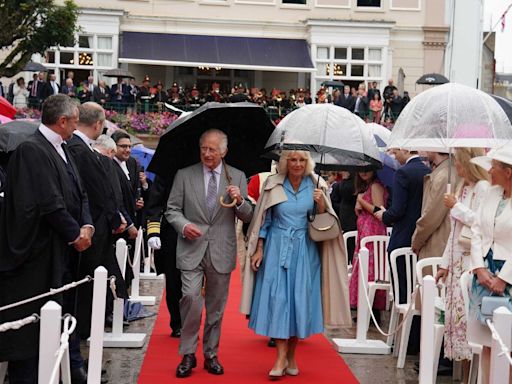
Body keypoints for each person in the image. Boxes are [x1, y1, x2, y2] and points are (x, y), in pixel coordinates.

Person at [0, 94, 93, 383]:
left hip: (58, 255)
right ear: (62, 121)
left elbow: (79, 192)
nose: (76, 128)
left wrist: (87, 224)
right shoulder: (32, 149)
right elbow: (48, 201)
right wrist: (74, 233)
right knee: (30, 336)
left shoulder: (62, 149)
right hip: (35, 258)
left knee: (51, 329)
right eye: (75, 122)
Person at [242, 150, 351, 378]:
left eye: (302, 160)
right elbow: (264, 219)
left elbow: (323, 222)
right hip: (276, 248)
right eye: (293, 159)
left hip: (306, 250)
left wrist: (321, 205)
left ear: (308, 163)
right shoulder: (273, 183)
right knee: (279, 300)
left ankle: (290, 355)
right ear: (285, 162)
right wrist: (258, 249)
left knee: (298, 302)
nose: (298, 164)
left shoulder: (316, 184)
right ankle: (280, 357)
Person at [165, 129, 253, 378]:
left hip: (221, 250)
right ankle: (188, 353)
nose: (207, 153)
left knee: (216, 308)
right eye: (203, 148)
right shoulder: (184, 175)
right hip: (191, 248)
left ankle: (211, 354)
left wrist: (240, 201)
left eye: (212, 149)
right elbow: (171, 210)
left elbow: (247, 216)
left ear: (223, 151)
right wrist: (184, 225)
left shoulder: (236, 176)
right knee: (191, 299)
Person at [67, 102, 129, 338]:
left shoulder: (81, 148)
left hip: (93, 230)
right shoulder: (79, 149)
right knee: (85, 292)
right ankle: (80, 341)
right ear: (98, 124)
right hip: (88, 234)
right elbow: (95, 193)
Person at [434, 148, 490, 381]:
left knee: (468, 322)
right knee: (457, 322)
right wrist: (445, 263)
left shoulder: (483, 188)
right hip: (456, 261)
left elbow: (481, 223)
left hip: (470, 261)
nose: (455, 165)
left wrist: (456, 206)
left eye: (458, 161)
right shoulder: (463, 187)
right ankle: (464, 374)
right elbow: (454, 231)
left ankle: (472, 376)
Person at [466, 147, 512, 381]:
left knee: (508, 344)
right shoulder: (492, 193)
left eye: (494, 166)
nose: (489, 170)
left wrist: (504, 278)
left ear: (508, 172)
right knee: (487, 342)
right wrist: (479, 267)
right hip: (483, 274)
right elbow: (476, 229)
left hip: (508, 275)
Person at [374, 149, 431, 304]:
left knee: (402, 290)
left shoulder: (403, 173)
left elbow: (398, 210)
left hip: (403, 237)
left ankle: (402, 324)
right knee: (417, 288)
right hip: (423, 238)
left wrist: (384, 215)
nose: (394, 155)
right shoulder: (428, 171)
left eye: (395, 151)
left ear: (405, 149)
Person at [146, 174, 183, 338]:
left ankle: (191, 321)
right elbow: (154, 205)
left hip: (199, 233)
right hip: (172, 233)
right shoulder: (166, 173)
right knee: (174, 281)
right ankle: (177, 323)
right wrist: (153, 231)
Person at [349, 170, 388, 320]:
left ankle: (371, 309)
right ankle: (363, 307)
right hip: (365, 231)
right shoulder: (366, 186)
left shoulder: (376, 186)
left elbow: (379, 210)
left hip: (373, 232)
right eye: (361, 169)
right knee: (363, 267)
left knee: (370, 269)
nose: (363, 172)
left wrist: (362, 201)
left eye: (367, 169)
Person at [330, 171, 357, 264]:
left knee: (352, 243)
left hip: (353, 216)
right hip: (345, 216)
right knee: (347, 243)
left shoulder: (354, 181)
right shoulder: (340, 184)